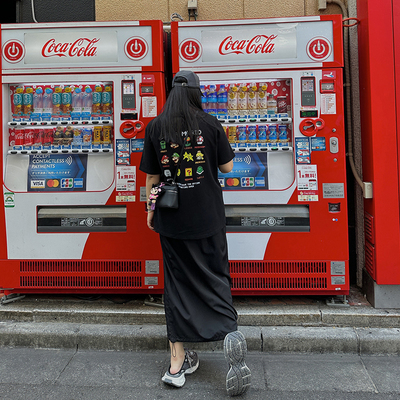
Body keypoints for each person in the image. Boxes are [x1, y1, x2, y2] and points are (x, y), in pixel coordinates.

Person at [139, 70, 251, 396]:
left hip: (172, 221)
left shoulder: (156, 127)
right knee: (215, 277)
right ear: (197, 94)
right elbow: (228, 168)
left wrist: (150, 210)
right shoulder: (211, 123)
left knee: (176, 286)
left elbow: (151, 179)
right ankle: (229, 334)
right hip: (208, 218)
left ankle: (176, 366)